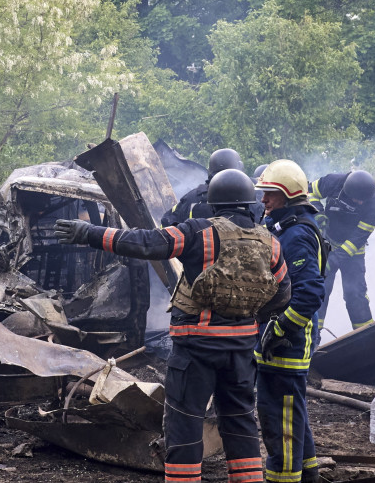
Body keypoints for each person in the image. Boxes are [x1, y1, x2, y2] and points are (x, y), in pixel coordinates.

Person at [54, 168, 292, 483]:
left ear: (213, 204)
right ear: (251, 205)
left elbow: (146, 243)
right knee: (240, 423)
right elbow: (282, 294)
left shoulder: (198, 232)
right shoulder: (270, 242)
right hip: (241, 352)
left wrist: (89, 233)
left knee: (185, 425)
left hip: (196, 350)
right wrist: (248, 318)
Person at [254, 160, 327, 483]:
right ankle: (308, 475)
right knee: (292, 413)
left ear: (288, 195)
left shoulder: (296, 234)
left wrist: (280, 328)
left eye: (270, 193)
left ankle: (282, 480)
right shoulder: (287, 228)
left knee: (279, 420)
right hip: (281, 339)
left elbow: (309, 293)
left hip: (288, 343)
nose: (264, 200)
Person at [308, 170, 375, 333]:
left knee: (355, 294)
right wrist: (317, 213)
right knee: (320, 290)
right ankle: (314, 336)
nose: (360, 202)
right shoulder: (334, 181)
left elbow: (356, 240)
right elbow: (309, 191)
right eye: (357, 199)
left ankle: (365, 335)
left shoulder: (374, 207)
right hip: (327, 243)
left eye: (363, 200)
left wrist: (334, 259)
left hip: (353, 253)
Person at [160, 148, 245, 225]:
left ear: (209, 170)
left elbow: (166, 224)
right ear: (240, 167)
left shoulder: (191, 198)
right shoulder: (248, 197)